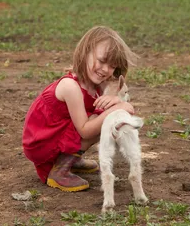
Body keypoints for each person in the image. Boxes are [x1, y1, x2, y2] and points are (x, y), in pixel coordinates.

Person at [22, 26, 138, 192]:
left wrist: (113, 97)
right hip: (41, 141)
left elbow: (119, 86)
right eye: (101, 60)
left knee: (106, 120)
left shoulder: (97, 82)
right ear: (85, 52)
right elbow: (85, 131)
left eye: (112, 66)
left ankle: (71, 158)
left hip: (55, 133)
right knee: (102, 121)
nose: (105, 69)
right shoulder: (71, 87)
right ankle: (60, 170)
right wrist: (116, 108)